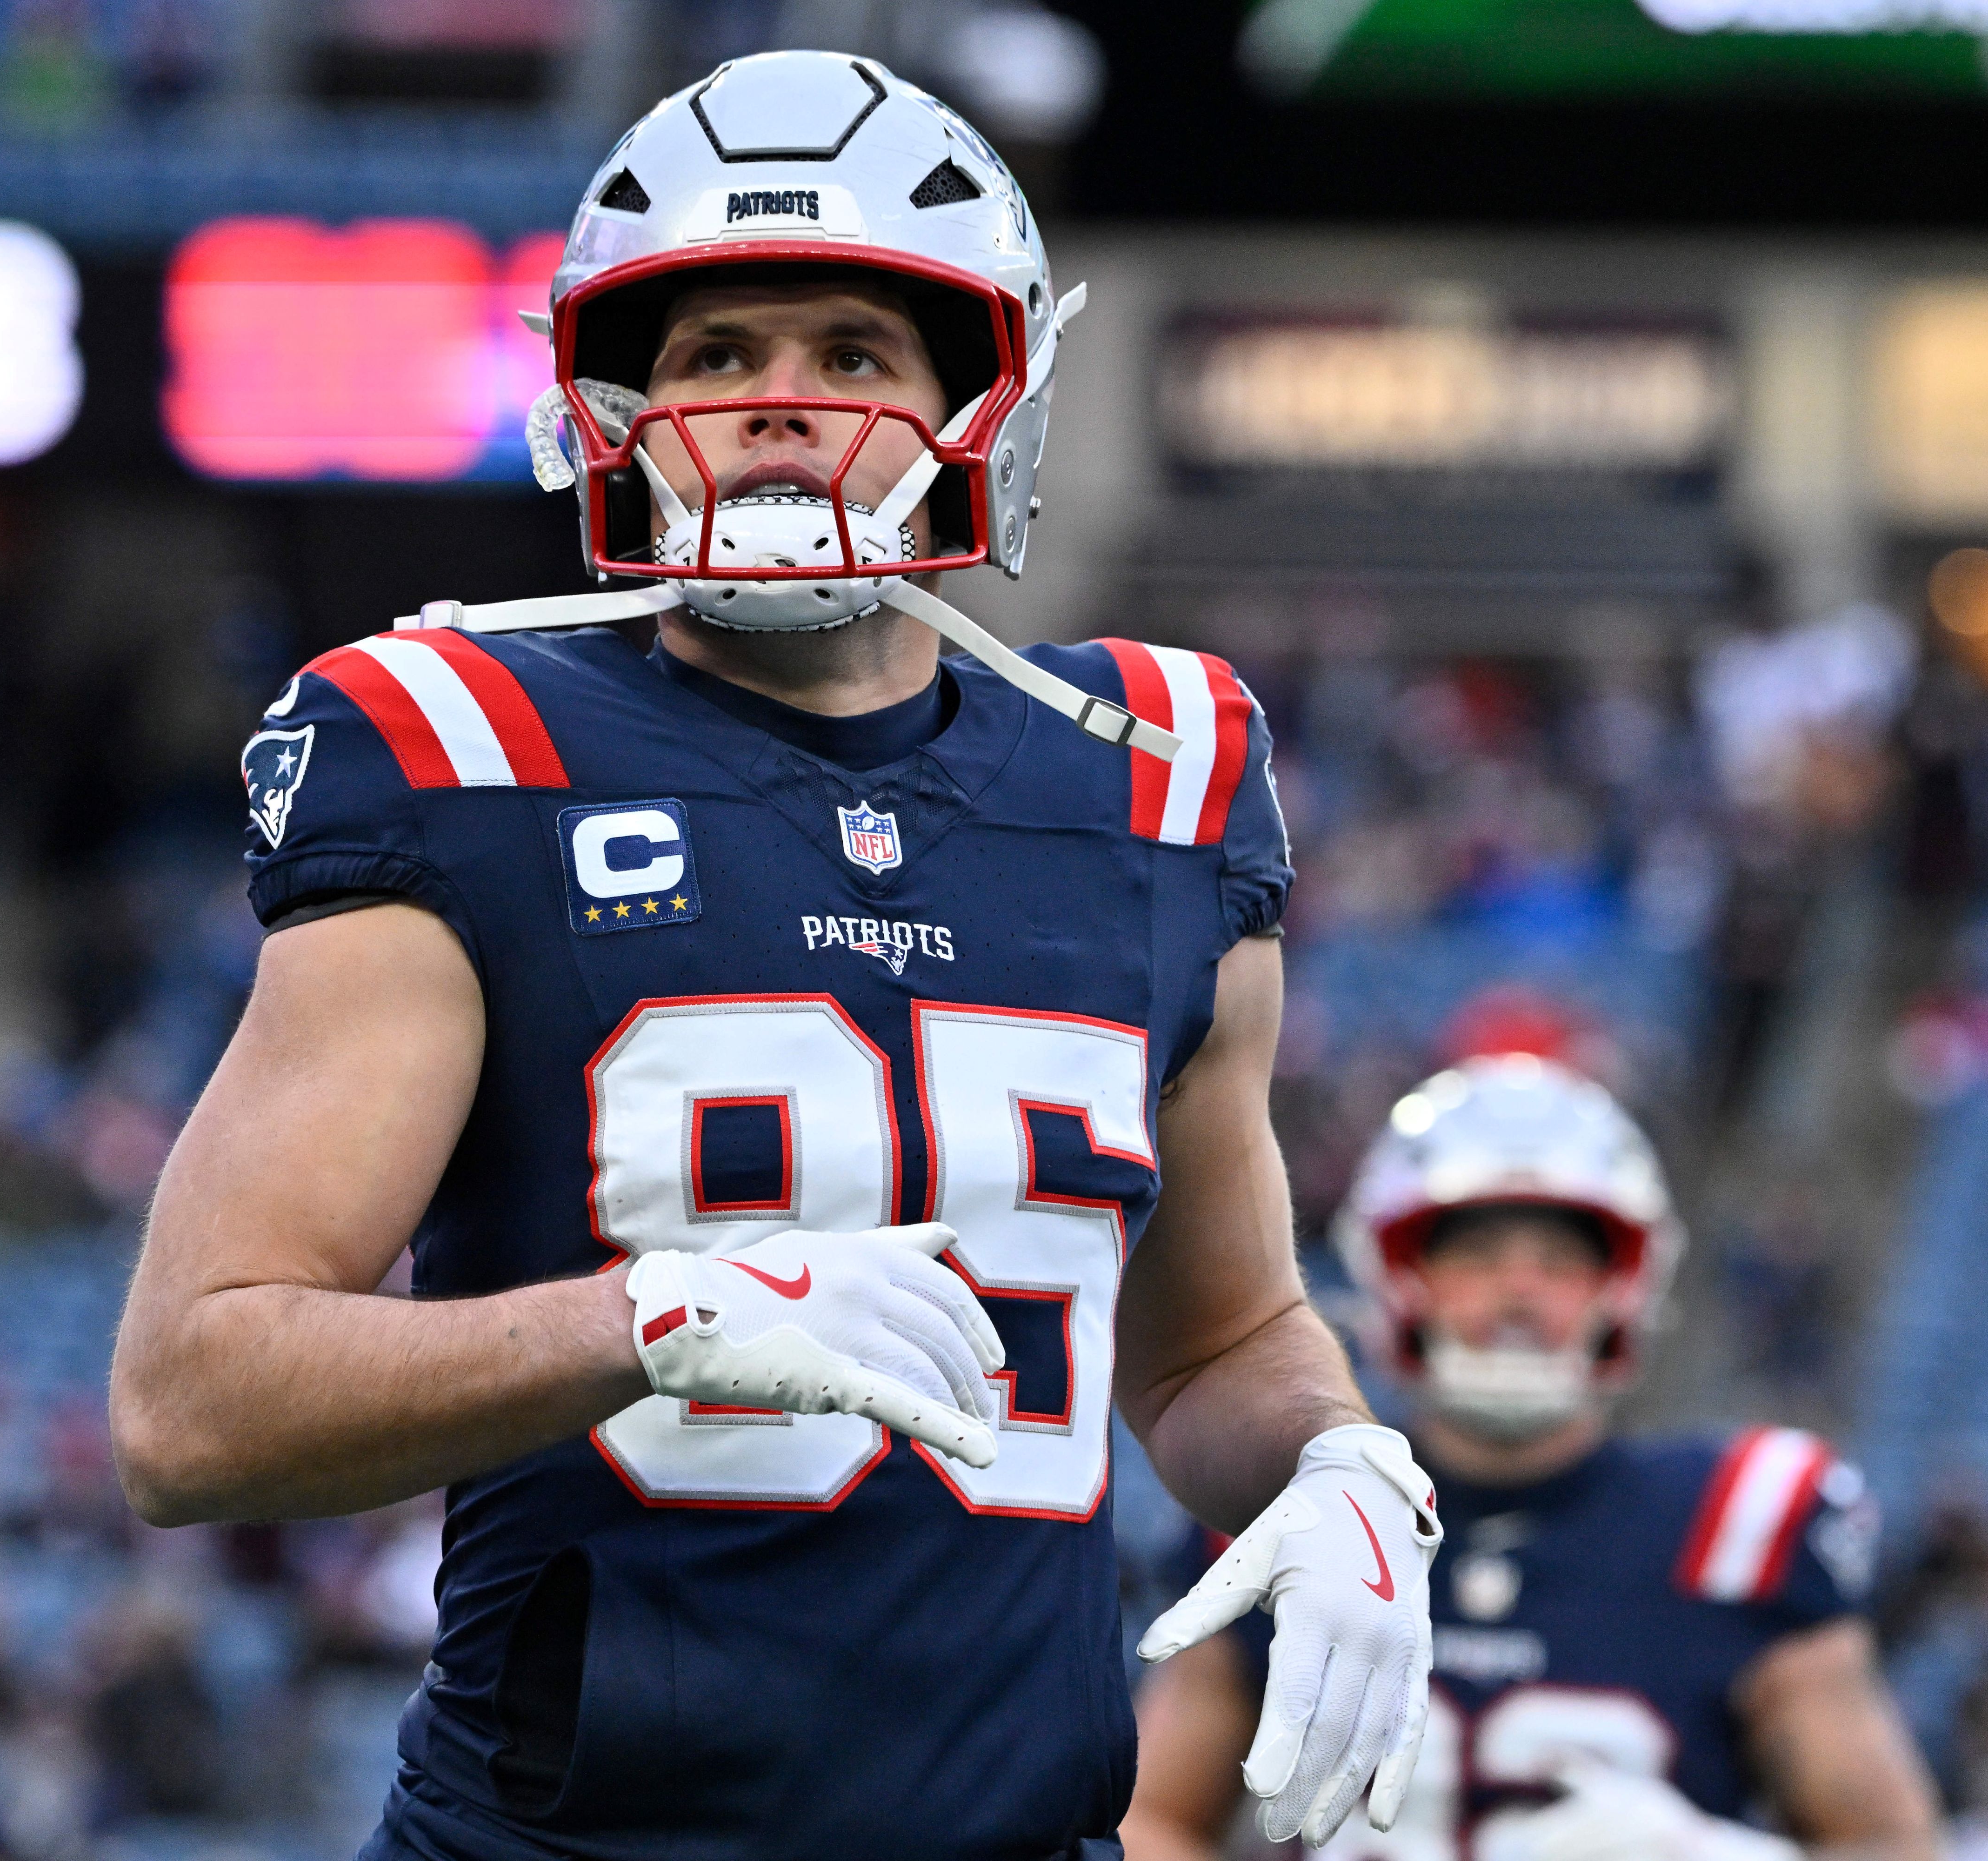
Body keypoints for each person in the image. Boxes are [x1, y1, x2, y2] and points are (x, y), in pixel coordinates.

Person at [111, 48, 1440, 1861]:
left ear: (985, 395)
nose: (780, 406)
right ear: (609, 402)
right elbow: (192, 1402)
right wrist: (655, 1319)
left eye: (853, 351)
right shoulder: (463, 749)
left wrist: (1346, 1468)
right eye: (718, 353)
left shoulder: (1159, 778)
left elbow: (1213, 1348)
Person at [1119, 1055, 1943, 1861]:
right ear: (1401, 1279)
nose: (1520, 1294)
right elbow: (1150, 1823)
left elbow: (1897, 1846)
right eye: (1477, 1259)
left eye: (1558, 1263)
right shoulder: (1287, 1509)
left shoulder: (1743, 1522)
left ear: (1622, 1289)